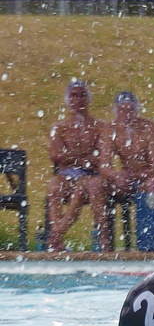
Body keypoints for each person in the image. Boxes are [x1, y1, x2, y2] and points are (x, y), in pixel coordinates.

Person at [96, 91, 154, 251]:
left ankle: (150, 240)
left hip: (146, 178)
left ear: (136, 110)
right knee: (97, 185)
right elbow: (104, 166)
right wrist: (117, 175)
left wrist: (134, 176)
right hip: (125, 181)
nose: (127, 114)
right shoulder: (110, 130)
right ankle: (105, 242)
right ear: (116, 112)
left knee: (153, 184)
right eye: (122, 110)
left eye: (130, 110)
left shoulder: (149, 128)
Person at [45, 80, 107, 251]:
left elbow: (102, 157)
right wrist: (84, 157)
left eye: (82, 95)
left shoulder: (100, 127)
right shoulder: (60, 127)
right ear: (68, 99)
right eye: (74, 95)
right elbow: (55, 155)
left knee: (81, 188)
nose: (78, 99)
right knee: (54, 187)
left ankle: (55, 235)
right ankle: (58, 243)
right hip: (65, 176)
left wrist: (71, 157)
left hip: (90, 177)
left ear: (88, 99)